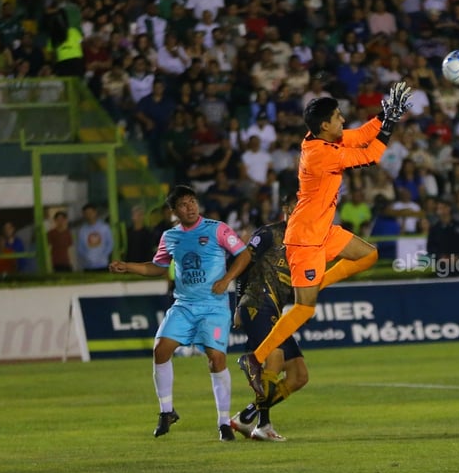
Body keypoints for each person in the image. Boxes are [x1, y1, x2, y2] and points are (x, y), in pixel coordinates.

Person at [238, 83, 413, 399]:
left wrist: (385, 116)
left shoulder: (319, 139)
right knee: (305, 310)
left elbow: (359, 136)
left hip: (323, 231)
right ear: (324, 125)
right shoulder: (320, 154)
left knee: (367, 255)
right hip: (305, 238)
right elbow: (370, 156)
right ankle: (255, 357)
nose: (343, 120)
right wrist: (389, 126)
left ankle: (316, 283)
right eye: (338, 116)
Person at [109, 185, 250, 441]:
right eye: (184, 204)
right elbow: (158, 267)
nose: (190, 207)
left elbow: (244, 254)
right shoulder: (170, 237)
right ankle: (166, 411)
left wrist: (227, 278)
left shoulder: (217, 228)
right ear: (173, 211)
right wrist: (128, 266)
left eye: (193, 202)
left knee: (216, 359)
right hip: (184, 305)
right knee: (160, 350)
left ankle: (223, 422)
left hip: (214, 306)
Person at [229, 198, 307, 442]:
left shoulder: (306, 243)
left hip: (277, 312)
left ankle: (246, 416)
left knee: (298, 376)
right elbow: (242, 264)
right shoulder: (268, 234)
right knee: (275, 356)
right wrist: (238, 305)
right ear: (286, 209)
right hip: (257, 302)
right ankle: (263, 425)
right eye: (295, 205)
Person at [76, 203, 114, 271]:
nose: (89, 215)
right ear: (84, 214)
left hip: (103, 264)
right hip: (88, 265)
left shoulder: (104, 227)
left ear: (95, 212)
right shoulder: (83, 230)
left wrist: (102, 256)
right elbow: (80, 247)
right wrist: (87, 257)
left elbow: (110, 244)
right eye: (86, 213)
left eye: (91, 212)